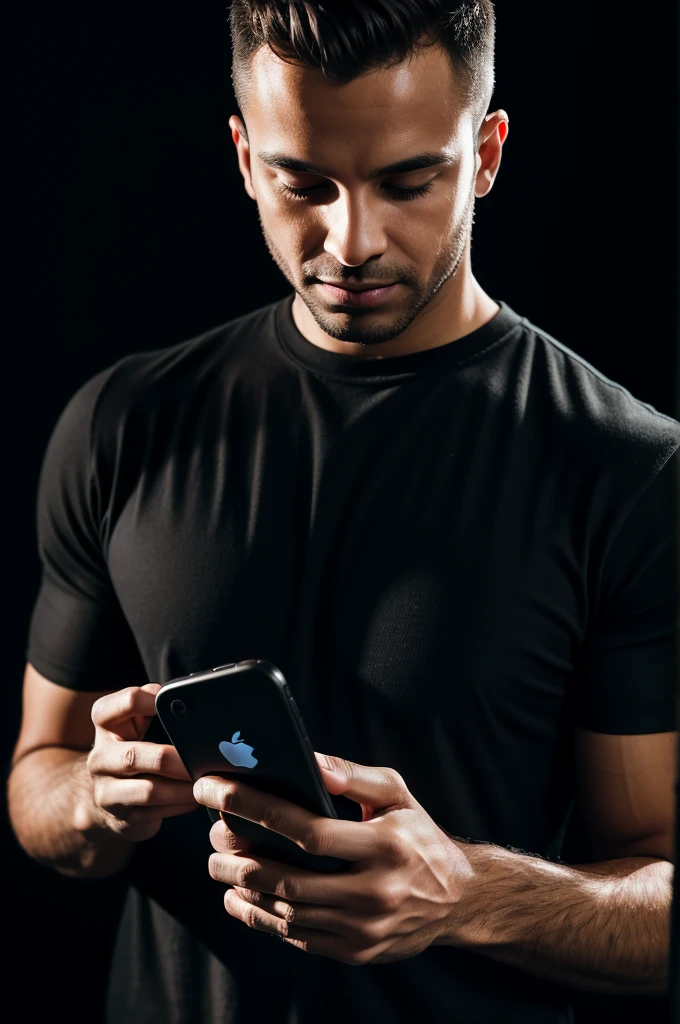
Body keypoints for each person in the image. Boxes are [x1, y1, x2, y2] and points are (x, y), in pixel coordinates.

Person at [7, 2, 679, 1022]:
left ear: (485, 153)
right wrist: (93, 803)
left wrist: (464, 896)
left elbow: (660, 893)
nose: (351, 240)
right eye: (302, 183)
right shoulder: (122, 424)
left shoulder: (627, 471)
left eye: (409, 181)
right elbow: (36, 778)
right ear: (242, 156)